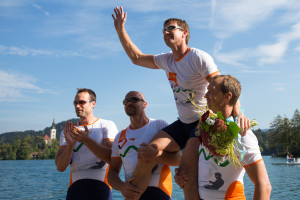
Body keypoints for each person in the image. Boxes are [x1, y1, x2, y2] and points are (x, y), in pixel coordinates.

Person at [112, 6, 249, 199]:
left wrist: (239, 113)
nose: (166, 32)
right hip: (182, 123)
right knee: (147, 152)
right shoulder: (166, 60)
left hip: (201, 122)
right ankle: (133, 196)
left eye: (171, 28)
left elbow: (224, 87)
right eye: (164, 30)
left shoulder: (199, 58)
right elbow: (136, 58)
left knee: (185, 175)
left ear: (184, 33)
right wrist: (121, 30)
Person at [176, 75, 272, 199]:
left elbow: (264, 185)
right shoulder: (206, 129)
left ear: (227, 96)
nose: (206, 96)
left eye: (211, 92)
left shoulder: (242, 134)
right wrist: (181, 177)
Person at [108, 91, 179, 200]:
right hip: (133, 194)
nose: (129, 103)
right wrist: (122, 187)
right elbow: (112, 173)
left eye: (134, 100)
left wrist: (157, 154)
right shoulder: (119, 137)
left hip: (159, 193)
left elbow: (178, 159)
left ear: (145, 104)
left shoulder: (159, 125)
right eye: (125, 101)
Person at [55, 88, 118, 200]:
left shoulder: (106, 125)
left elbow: (111, 158)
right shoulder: (69, 130)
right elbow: (60, 167)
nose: (78, 106)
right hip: (75, 191)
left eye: (82, 102)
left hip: (101, 190)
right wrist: (70, 146)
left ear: (93, 103)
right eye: (75, 102)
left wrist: (86, 140)